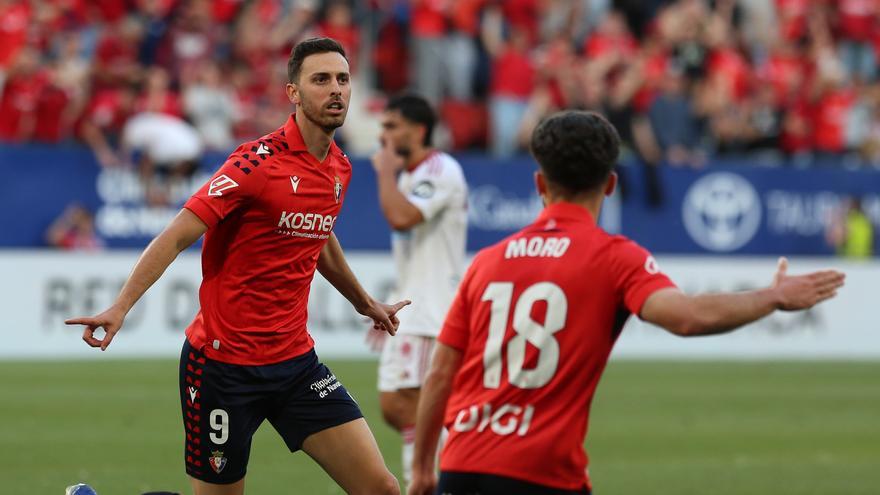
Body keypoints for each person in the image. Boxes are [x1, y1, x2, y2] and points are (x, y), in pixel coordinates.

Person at [408, 110, 845, 495]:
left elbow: (441, 372)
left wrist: (425, 468)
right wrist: (772, 297)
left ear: (540, 183)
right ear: (611, 184)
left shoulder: (487, 262)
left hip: (461, 466)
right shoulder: (615, 258)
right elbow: (688, 317)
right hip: (540, 472)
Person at [66, 38, 405, 495]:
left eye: (342, 79)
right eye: (321, 80)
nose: (336, 90)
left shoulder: (339, 168)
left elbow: (319, 235)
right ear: (294, 93)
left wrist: (365, 302)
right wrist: (122, 305)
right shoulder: (254, 164)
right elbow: (178, 233)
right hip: (223, 368)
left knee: (381, 488)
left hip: (296, 364)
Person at [370, 93, 468, 487]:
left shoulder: (440, 169)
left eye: (392, 126)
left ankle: (434, 479)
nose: (384, 135)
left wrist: (383, 173)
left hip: (431, 311)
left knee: (410, 404)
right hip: (414, 308)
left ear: (419, 130)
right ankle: (435, 478)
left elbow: (401, 218)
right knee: (401, 405)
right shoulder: (414, 176)